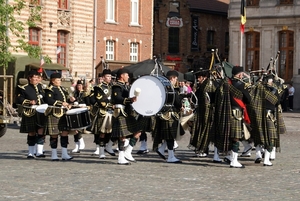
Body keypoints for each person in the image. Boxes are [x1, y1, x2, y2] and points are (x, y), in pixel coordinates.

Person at [214, 66, 251, 168]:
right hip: (236, 114)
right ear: (239, 74)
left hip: (226, 113)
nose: (243, 75)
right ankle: (234, 161)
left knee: (229, 136)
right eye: (242, 74)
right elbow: (248, 99)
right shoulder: (240, 84)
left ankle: (230, 157)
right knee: (236, 137)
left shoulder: (226, 83)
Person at [111, 68, 141, 165]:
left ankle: (128, 152)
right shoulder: (116, 86)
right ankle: (120, 157)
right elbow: (118, 98)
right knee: (122, 136)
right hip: (120, 112)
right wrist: (130, 100)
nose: (128, 76)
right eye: (127, 75)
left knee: (138, 132)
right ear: (122, 76)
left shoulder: (126, 86)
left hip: (128, 112)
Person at [153, 70, 184, 163]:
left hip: (163, 114)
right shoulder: (171, 89)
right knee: (170, 136)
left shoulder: (162, 87)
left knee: (169, 135)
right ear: (172, 78)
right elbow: (177, 102)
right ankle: (171, 156)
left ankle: (161, 149)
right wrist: (181, 106)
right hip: (170, 114)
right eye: (176, 79)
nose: (176, 81)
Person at [44, 72, 75, 161]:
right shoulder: (49, 89)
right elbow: (49, 100)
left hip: (63, 113)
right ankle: (54, 154)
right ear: (53, 81)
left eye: (60, 80)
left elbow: (65, 99)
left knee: (64, 133)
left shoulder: (62, 89)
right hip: (54, 114)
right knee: (54, 135)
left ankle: (64, 154)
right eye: (57, 80)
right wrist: (62, 103)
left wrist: (70, 101)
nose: (59, 81)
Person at [16, 70, 46, 158]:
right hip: (30, 112)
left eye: (37, 78)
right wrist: (29, 102)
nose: (36, 79)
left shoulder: (41, 87)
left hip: (41, 112)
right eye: (34, 78)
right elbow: (19, 99)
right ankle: (31, 152)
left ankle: (39, 152)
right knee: (31, 132)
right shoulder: (23, 88)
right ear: (30, 78)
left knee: (41, 131)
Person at [91, 69, 116, 159]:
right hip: (103, 112)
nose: (109, 78)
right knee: (102, 133)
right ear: (103, 77)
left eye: (110, 76)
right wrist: (111, 106)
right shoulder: (99, 87)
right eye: (108, 77)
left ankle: (108, 146)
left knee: (114, 132)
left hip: (113, 113)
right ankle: (101, 151)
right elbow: (101, 101)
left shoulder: (112, 87)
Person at [71, 80, 90, 153]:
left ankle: (81, 141)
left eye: (80, 85)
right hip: (74, 111)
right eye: (78, 85)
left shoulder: (85, 93)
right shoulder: (75, 93)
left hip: (82, 112)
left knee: (78, 129)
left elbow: (88, 103)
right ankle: (76, 146)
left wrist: (83, 105)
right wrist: (71, 100)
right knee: (74, 129)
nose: (79, 87)